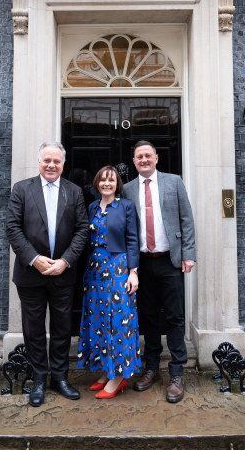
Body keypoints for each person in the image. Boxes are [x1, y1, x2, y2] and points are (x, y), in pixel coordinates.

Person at [6, 142, 88, 407]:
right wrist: (34, 259)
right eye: (47, 160)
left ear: (63, 164)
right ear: (39, 161)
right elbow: (12, 227)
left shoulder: (74, 191)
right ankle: (40, 378)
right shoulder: (22, 189)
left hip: (63, 274)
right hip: (31, 275)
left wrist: (65, 261)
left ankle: (61, 378)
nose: (51, 165)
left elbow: (82, 230)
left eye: (57, 161)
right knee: (34, 330)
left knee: (63, 328)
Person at [123, 141, 196, 404]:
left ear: (156, 158)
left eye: (147, 156)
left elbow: (186, 219)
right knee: (149, 317)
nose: (144, 160)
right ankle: (151, 367)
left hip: (170, 261)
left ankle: (177, 372)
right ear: (134, 161)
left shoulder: (173, 181)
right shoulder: (128, 188)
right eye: (139, 157)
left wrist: (188, 254)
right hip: (142, 263)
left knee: (175, 317)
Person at [77, 166, 141, 398]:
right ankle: (106, 371)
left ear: (117, 184)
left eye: (111, 180)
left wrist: (133, 272)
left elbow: (132, 239)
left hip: (118, 268)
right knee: (100, 319)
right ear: (97, 183)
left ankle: (118, 377)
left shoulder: (125, 206)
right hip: (94, 270)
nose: (106, 183)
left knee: (118, 320)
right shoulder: (92, 207)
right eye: (103, 179)